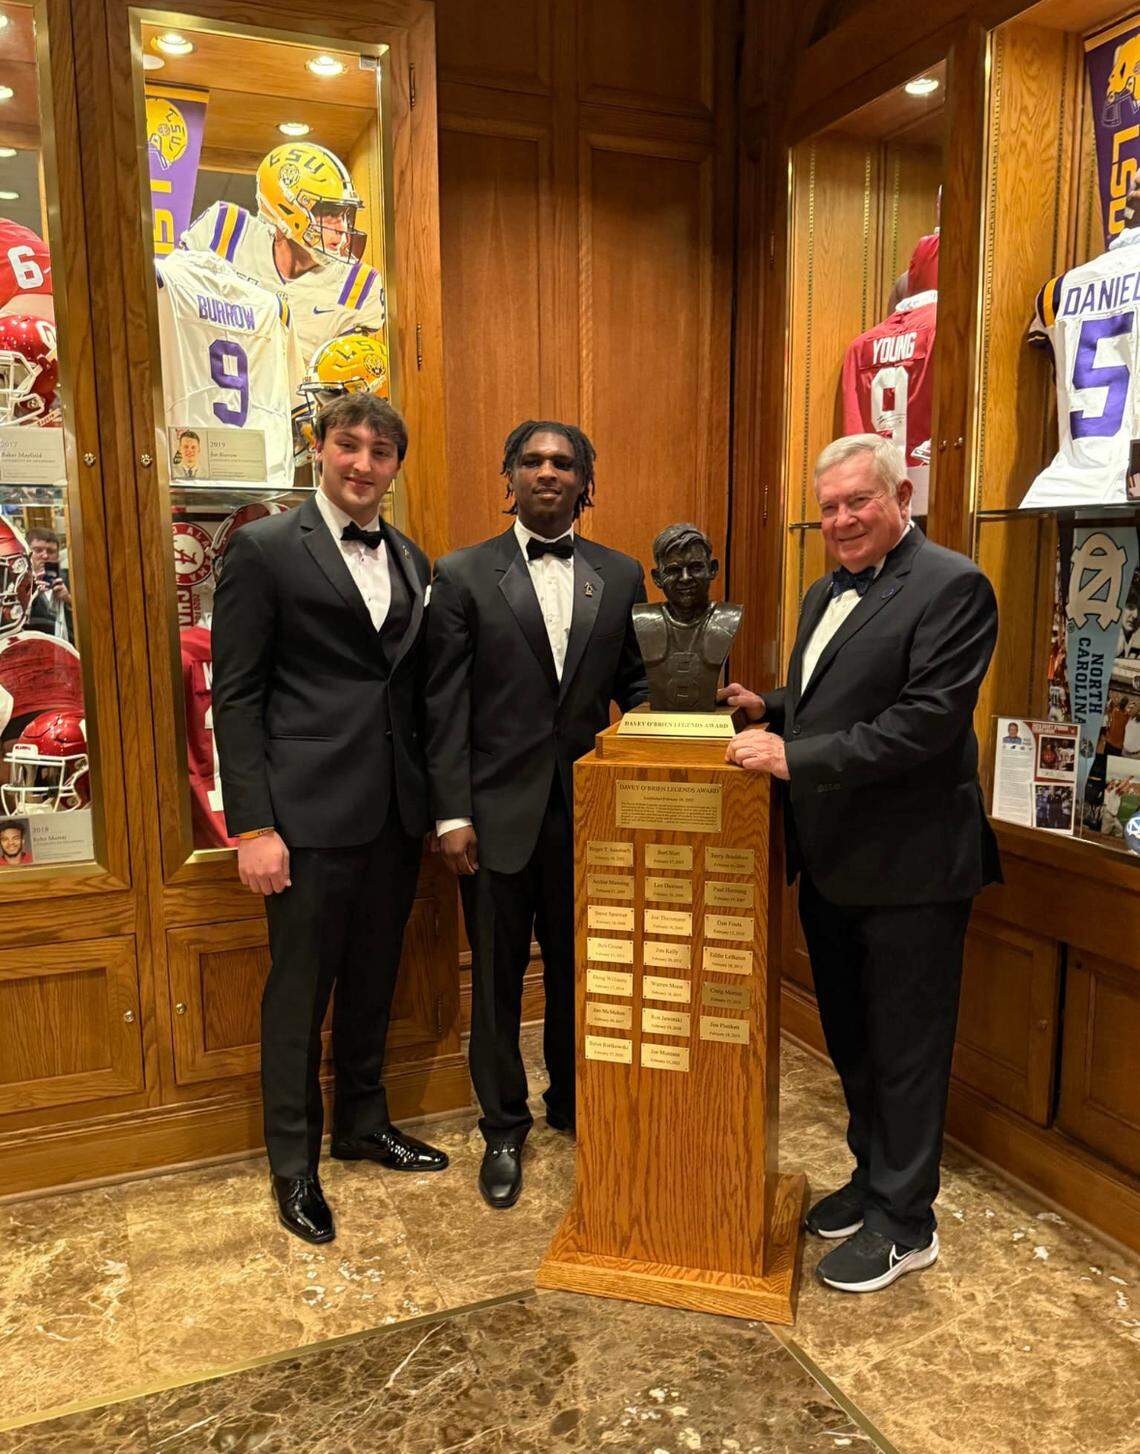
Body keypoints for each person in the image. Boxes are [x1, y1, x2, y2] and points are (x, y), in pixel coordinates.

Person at [719, 433, 1000, 1294]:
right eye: (829, 506)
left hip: (914, 868)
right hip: (835, 862)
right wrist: (769, 702)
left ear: (900, 498)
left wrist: (792, 758)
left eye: (858, 502)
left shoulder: (954, 586)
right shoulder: (821, 591)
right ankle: (873, 1179)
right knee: (854, 1043)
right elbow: (830, 692)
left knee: (907, 1051)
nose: (840, 519)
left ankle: (907, 1223)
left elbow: (923, 723)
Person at [211, 393, 446, 1246]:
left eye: (381, 452)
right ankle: (293, 1164)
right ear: (319, 449)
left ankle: (361, 1122)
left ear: (395, 467)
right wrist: (254, 825)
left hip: (392, 813)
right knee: (298, 993)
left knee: (376, 980)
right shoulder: (266, 548)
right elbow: (234, 696)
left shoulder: (415, 558)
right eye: (348, 446)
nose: (362, 464)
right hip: (302, 819)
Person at [424, 419, 648, 1209]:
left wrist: (690, 731)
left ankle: (573, 1105)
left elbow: (640, 687)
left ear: (587, 482)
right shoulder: (460, 575)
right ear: (507, 476)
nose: (547, 472)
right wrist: (450, 814)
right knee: (495, 981)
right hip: (489, 820)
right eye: (532, 461)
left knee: (583, 976)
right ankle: (503, 1125)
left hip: (588, 820)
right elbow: (441, 706)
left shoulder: (620, 576)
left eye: (563, 463)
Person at [25, 526, 72, 640]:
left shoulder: (73, 580)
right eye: (38, 550)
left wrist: (68, 599)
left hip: (71, 650)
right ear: (27, 552)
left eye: (51, 551)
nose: (45, 556)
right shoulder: (18, 583)